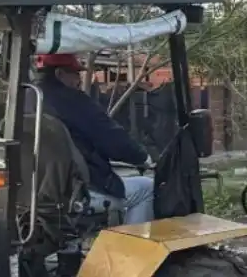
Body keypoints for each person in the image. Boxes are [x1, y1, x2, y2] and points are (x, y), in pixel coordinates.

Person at [33, 53, 156, 226]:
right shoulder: (72, 101)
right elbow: (111, 137)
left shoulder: (25, 99)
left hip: (30, 191)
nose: (79, 80)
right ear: (60, 74)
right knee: (146, 188)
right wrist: (142, 157)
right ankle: (133, 252)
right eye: (75, 73)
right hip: (74, 192)